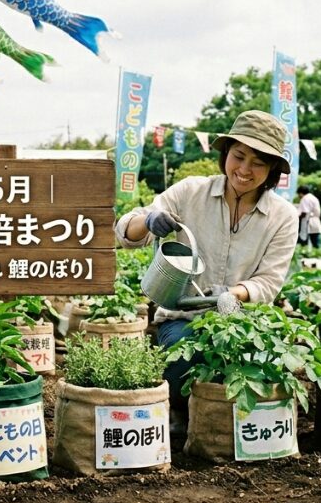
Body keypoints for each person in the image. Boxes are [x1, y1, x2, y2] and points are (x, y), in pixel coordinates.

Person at [114, 110, 298, 420]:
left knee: (264, 369)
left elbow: (268, 282)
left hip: (245, 325)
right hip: (183, 316)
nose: (244, 169)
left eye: (258, 163)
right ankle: (179, 417)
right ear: (226, 153)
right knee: (186, 352)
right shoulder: (190, 192)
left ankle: (226, 426)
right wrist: (147, 221)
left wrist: (233, 294)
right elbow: (125, 232)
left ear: (273, 171)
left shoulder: (283, 217)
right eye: (238, 156)